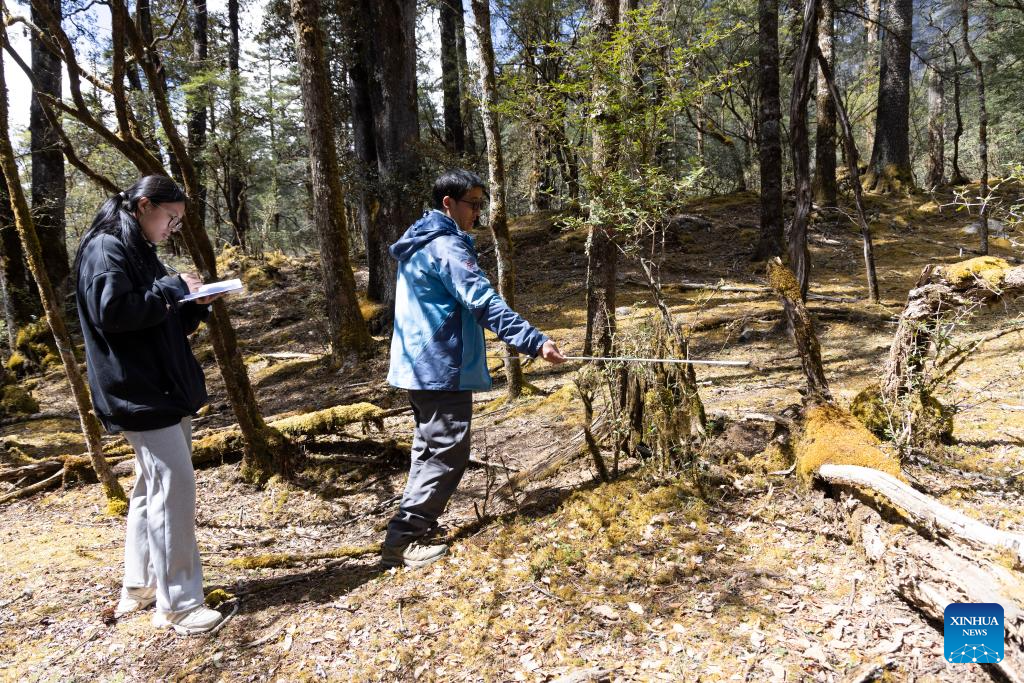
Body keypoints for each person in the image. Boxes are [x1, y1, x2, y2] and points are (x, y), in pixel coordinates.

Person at [383, 169, 566, 569]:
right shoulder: (445, 246)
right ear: (448, 203)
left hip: (420, 364)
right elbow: (482, 301)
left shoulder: (422, 241)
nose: (478, 214)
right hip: (438, 365)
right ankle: (405, 540)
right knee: (448, 452)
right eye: (474, 204)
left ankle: (413, 529)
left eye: (482, 205)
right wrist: (534, 341)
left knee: (428, 449)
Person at [74, 176, 227, 634]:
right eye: (170, 217)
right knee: (172, 490)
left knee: (150, 489)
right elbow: (113, 315)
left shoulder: (135, 245)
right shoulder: (106, 248)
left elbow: (154, 320)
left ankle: (139, 586)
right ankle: (178, 604)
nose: (173, 227)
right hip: (138, 391)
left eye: (179, 221)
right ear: (144, 205)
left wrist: (194, 303)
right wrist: (170, 289)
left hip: (160, 386)